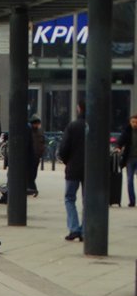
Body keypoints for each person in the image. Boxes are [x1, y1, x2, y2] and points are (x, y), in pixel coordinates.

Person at [57, 103, 85, 242]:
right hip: (92, 170)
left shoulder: (73, 126)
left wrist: (68, 161)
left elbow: (64, 148)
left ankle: (74, 229)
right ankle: (85, 230)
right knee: (88, 201)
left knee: (69, 198)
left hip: (73, 168)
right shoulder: (96, 126)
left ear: (79, 109)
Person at [116, 114, 137, 208]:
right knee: (129, 180)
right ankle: (132, 201)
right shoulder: (127, 131)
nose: (134, 124)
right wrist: (118, 147)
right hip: (130, 159)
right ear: (130, 122)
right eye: (133, 122)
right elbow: (121, 140)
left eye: (136, 122)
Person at [28, 116, 44, 196]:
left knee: (33, 173)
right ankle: (33, 189)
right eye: (37, 124)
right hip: (31, 155)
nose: (38, 125)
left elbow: (43, 142)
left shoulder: (39, 132)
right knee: (31, 174)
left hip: (36, 156)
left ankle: (31, 188)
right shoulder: (30, 131)